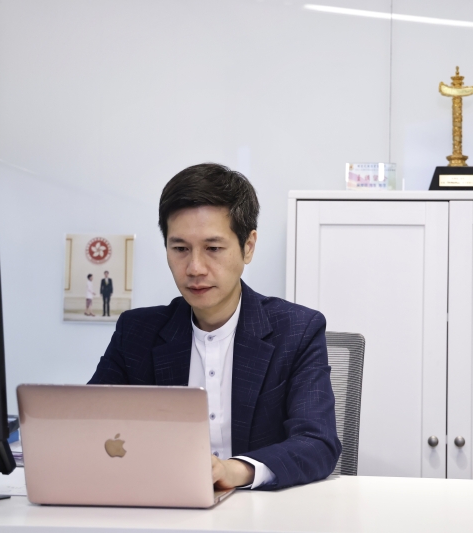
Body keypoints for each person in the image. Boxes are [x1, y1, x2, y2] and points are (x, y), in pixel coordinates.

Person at [89, 163, 340, 491]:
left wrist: (233, 471)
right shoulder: (136, 332)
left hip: (260, 509)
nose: (195, 268)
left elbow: (317, 443)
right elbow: (87, 424)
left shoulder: (297, 330)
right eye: (180, 249)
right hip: (161, 503)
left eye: (213, 248)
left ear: (248, 246)